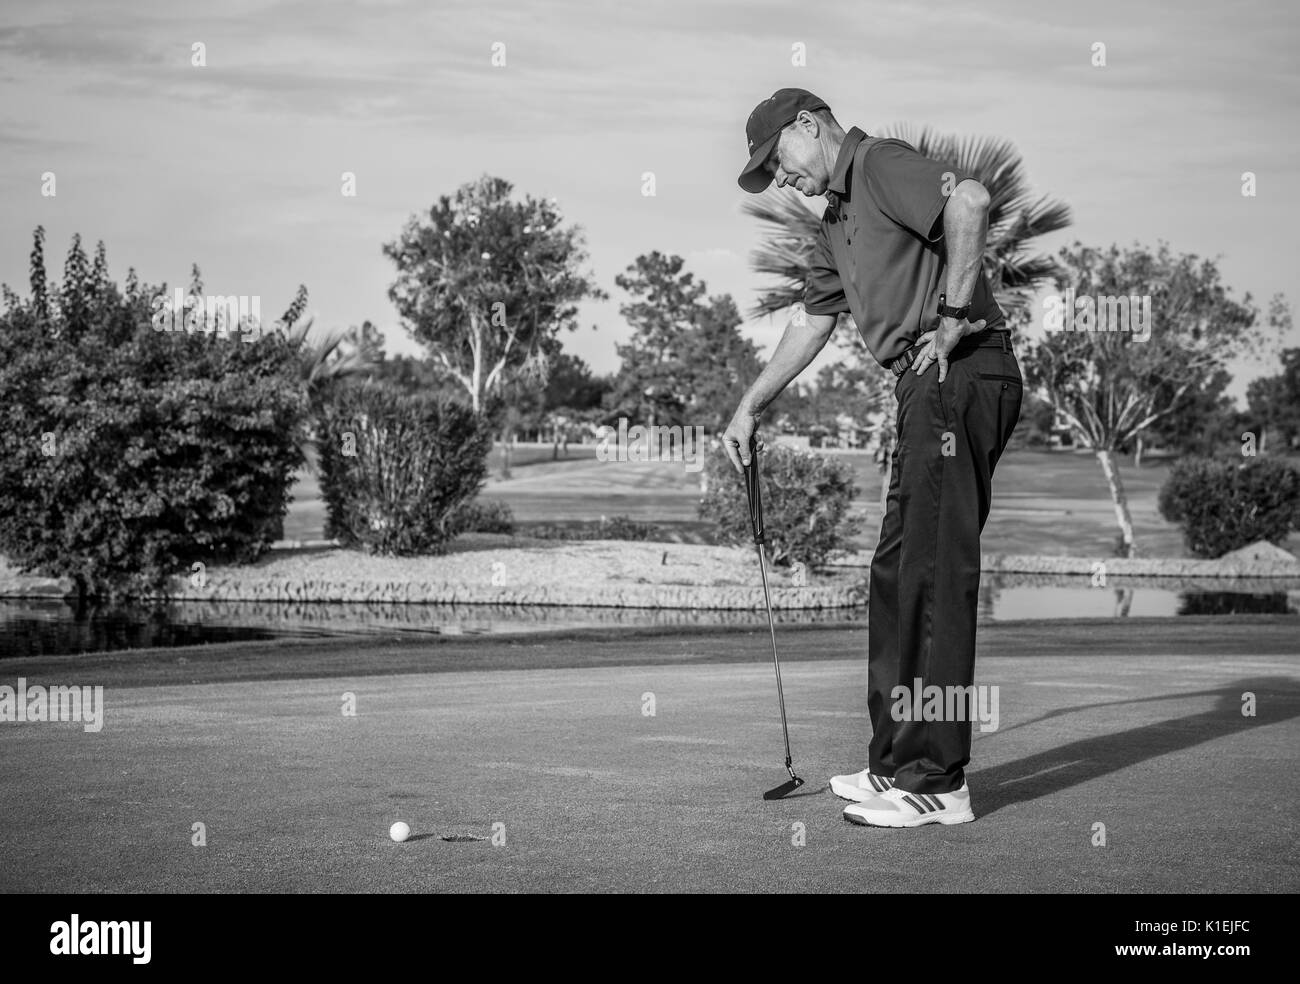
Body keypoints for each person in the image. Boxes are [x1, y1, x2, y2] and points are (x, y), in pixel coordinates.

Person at [723, 88, 1022, 828]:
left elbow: (973, 201)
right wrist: (750, 404)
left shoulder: (880, 164)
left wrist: (952, 320)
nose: (779, 177)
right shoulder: (835, 218)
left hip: (962, 372)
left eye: (777, 160)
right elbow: (813, 321)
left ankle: (936, 782)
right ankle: (894, 763)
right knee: (896, 576)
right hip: (923, 388)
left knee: (932, 578)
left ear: (808, 125)